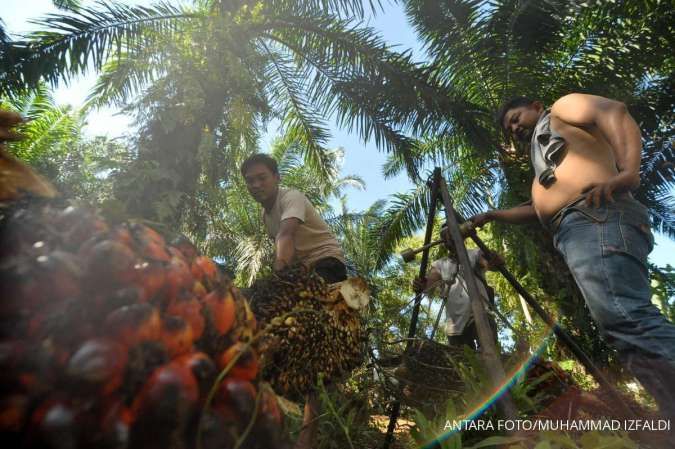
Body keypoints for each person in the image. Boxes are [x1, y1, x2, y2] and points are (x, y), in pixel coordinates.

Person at [471, 93, 675, 419]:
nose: (514, 129)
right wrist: (494, 215)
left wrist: (628, 170)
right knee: (619, 325)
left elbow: (613, 111)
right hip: (579, 231)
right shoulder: (542, 158)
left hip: (598, 216)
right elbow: (536, 209)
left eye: (515, 119)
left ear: (536, 106)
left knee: (625, 314)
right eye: (509, 129)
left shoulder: (560, 111)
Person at [241, 153, 347, 449]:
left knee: (309, 343)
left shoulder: (291, 197)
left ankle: (307, 438)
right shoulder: (265, 216)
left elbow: (286, 237)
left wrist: (277, 283)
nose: (256, 184)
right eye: (250, 181)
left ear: (276, 178)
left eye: (262, 177)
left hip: (327, 266)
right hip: (301, 274)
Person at [412, 227, 500, 350]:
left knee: (488, 351)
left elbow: (489, 263)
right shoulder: (440, 264)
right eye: (445, 236)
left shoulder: (474, 254)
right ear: (444, 242)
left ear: (462, 236)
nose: (448, 238)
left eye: (452, 234)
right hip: (455, 325)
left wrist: (493, 260)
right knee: (463, 363)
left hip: (479, 315)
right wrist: (421, 285)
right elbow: (429, 286)